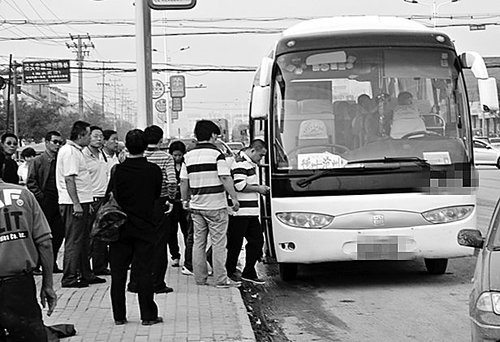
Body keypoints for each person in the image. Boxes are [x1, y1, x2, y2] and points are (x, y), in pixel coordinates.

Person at [0, 151, 57, 341]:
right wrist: (48, 285)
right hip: (19, 288)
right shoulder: (23, 195)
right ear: (2, 167)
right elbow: (45, 243)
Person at [108, 129, 163, 326]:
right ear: (145, 146)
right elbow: (157, 195)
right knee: (145, 272)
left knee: (118, 273)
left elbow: (112, 194)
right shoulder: (153, 170)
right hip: (145, 227)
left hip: (120, 227)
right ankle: (148, 316)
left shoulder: (118, 170)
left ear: (127, 146)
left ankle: (119, 316)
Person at [180, 120, 241, 288]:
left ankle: (200, 279)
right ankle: (221, 280)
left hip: (196, 206)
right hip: (216, 206)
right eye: (216, 135)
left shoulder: (188, 156)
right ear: (212, 135)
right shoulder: (217, 154)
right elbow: (225, 177)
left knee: (198, 243)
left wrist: (184, 200)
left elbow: (183, 182)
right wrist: (234, 198)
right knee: (219, 244)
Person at [56, 120, 105, 288]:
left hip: (82, 201)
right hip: (72, 203)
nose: (91, 137)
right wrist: (76, 203)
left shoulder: (77, 151)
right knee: (74, 240)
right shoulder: (69, 152)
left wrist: (86, 201)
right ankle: (69, 277)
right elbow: (69, 179)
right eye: (89, 134)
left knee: (84, 240)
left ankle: (86, 273)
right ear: (81, 135)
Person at [130, 125, 175, 294]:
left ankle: (134, 282)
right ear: (161, 140)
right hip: (159, 203)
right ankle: (157, 282)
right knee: (159, 243)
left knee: (137, 243)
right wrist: (170, 198)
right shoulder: (166, 158)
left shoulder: (133, 157)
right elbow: (171, 181)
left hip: (138, 204)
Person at [226, 140, 270, 285]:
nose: (261, 158)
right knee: (235, 243)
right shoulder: (240, 164)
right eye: (261, 155)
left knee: (256, 241)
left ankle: (248, 271)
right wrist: (259, 188)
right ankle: (230, 270)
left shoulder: (249, 164)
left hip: (250, 211)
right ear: (252, 151)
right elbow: (240, 186)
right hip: (240, 212)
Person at [27, 131, 65, 274]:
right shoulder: (38, 160)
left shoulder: (61, 159)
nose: (57, 145)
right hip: (44, 202)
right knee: (42, 234)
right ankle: (36, 264)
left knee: (58, 233)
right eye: (55, 142)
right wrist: (40, 196)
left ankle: (52, 262)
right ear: (47, 142)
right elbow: (31, 181)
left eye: (60, 142)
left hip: (59, 200)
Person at [83, 126, 111, 276]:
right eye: (95, 136)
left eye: (101, 136)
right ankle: (85, 268)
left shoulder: (103, 154)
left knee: (101, 234)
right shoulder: (83, 155)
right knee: (89, 235)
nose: (99, 139)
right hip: (90, 198)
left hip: (104, 197)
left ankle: (100, 266)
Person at [167, 141, 192, 275]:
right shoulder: (168, 165)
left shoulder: (186, 164)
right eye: (175, 155)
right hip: (172, 202)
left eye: (179, 155)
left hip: (184, 202)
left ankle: (189, 256)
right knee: (171, 231)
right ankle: (175, 255)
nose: (177, 158)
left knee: (187, 230)